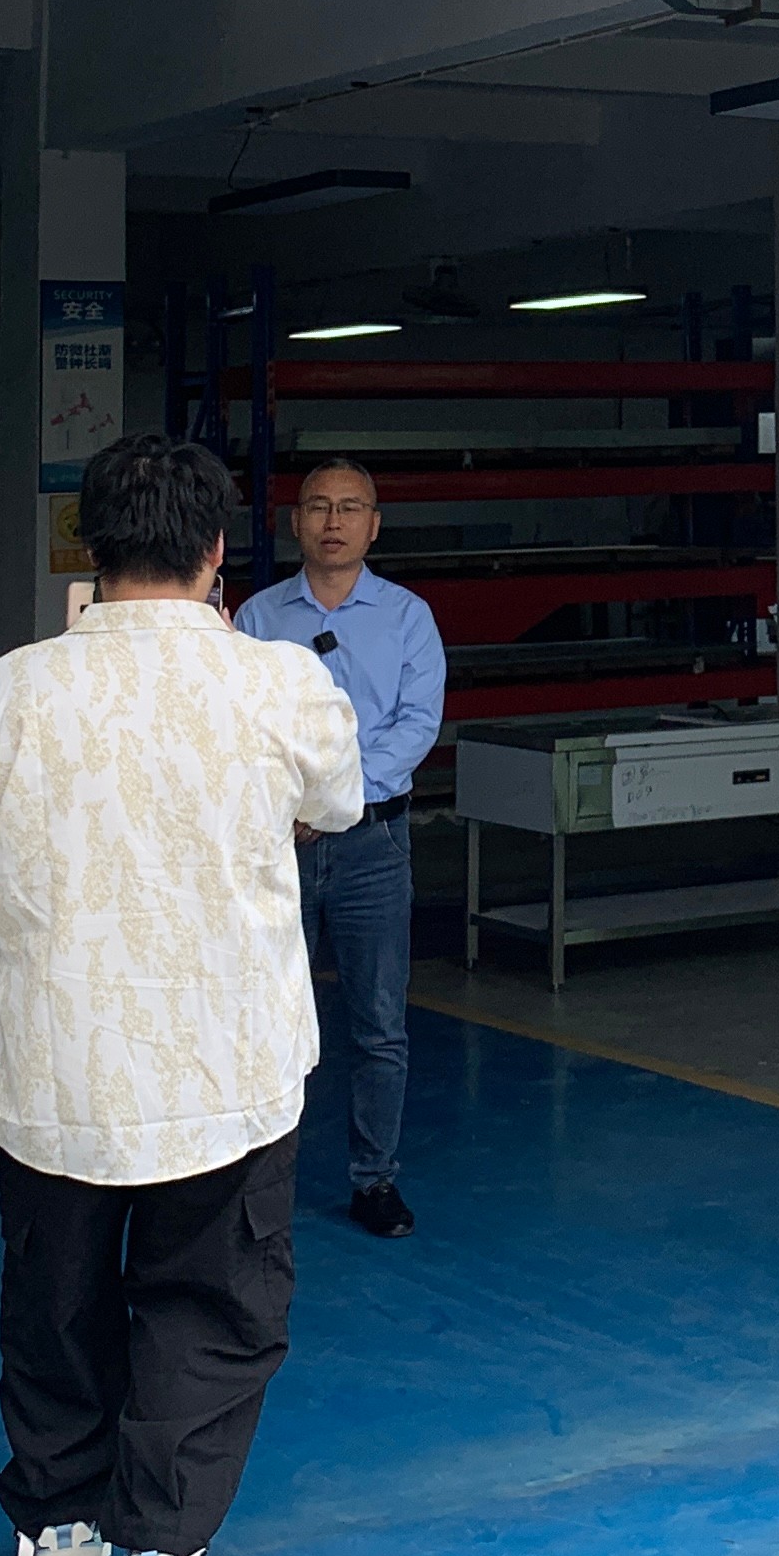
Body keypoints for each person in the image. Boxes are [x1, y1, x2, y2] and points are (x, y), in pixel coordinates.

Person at [0, 432, 361, 1556]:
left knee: (54, 1294)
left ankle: (61, 1528)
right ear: (217, 553)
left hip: (56, 1062)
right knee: (211, 1300)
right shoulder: (277, 685)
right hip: (227, 1056)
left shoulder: (11, 692)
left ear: (89, 549)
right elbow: (339, 799)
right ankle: (163, 1548)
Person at [233, 455, 446, 1240]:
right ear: (295, 523)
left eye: (350, 507)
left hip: (371, 845)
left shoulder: (408, 618)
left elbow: (416, 726)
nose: (333, 521)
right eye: (318, 506)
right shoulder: (257, 620)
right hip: (278, 844)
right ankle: (254, 1186)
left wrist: (333, 801)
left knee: (378, 1023)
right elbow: (241, 727)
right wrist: (297, 803)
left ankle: (374, 1179)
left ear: (374, 525)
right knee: (264, 1015)